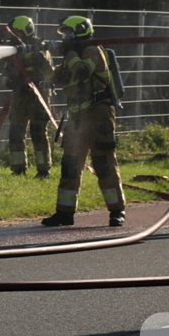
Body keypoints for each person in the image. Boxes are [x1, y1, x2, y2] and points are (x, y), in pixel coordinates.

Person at [41, 15, 126, 228]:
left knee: (104, 163)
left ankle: (117, 211)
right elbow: (52, 77)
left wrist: (68, 52)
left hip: (98, 113)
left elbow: (82, 71)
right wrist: (39, 56)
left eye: (69, 33)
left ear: (79, 32)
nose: (66, 38)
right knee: (70, 164)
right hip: (77, 117)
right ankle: (64, 213)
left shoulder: (93, 51)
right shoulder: (71, 56)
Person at [0, 15, 54, 178]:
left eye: (17, 33)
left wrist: (30, 58)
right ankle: (18, 169)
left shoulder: (40, 47)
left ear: (26, 32)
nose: (14, 37)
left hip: (39, 95)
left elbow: (48, 71)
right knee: (15, 131)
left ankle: (44, 171)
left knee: (38, 131)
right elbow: (6, 72)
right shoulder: (13, 50)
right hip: (20, 94)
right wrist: (10, 82)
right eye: (12, 34)